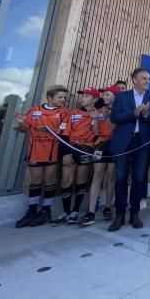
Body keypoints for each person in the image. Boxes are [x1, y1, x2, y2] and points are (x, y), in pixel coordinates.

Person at [108, 68, 150, 231]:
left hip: (142, 142)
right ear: (134, 80)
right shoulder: (122, 97)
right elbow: (114, 117)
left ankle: (135, 214)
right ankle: (120, 215)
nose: (147, 81)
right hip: (124, 142)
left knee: (139, 178)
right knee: (121, 178)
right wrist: (134, 113)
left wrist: (145, 114)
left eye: (149, 79)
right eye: (144, 78)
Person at [13, 85, 69, 228]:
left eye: (64, 97)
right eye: (60, 97)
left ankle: (46, 210)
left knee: (49, 180)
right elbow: (24, 129)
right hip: (35, 151)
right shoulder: (35, 110)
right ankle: (31, 211)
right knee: (36, 180)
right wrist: (20, 123)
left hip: (53, 152)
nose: (63, 100)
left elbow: (64, 133)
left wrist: (50, 130)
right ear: (50, 98)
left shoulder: (65, 113)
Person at [54, 88, 101, 225]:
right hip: (70, 148)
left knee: (81, 179)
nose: (83, 98)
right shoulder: (72, 113)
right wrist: (66, 153)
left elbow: (97, 134)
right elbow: (63, 135)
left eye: (87, 96)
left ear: (95, 99)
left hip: (86, 149)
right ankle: (65, 211)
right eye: (82, 96)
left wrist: (94, 119)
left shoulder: (98, 114)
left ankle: (75, 211)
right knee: (66, 179)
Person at [80, 85, 120, 226]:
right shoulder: (98, 109)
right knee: (97, 176)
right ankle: (91, 212)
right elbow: (96, 132)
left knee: (111, 177)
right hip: (101, 143)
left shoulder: (119, 109)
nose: (104, 96)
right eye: (103, 94)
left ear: (115, 96)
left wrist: (108, 116)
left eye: (107, 94)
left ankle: (108, 206)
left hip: (115, 144)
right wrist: (95, 119)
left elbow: (114, 127)